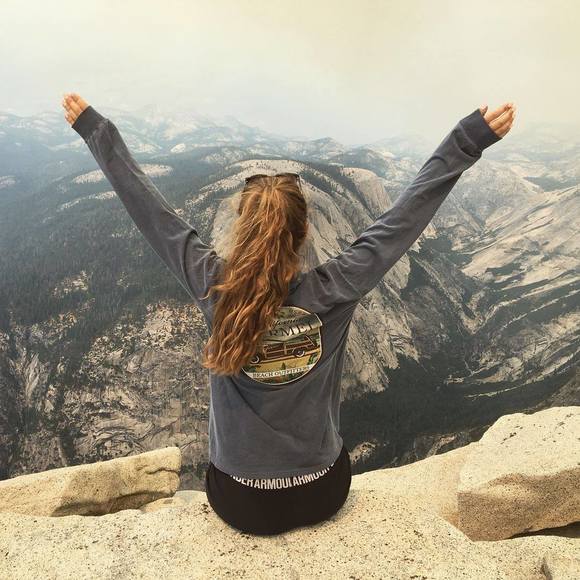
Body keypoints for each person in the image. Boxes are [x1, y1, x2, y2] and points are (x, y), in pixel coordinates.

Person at [63, 93, 515, 535]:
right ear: (304, 232)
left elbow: (153, 213)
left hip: (239, 501)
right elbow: (402, 219)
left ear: (242, 229)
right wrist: (466, 140)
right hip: (321, 491)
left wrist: (97, 132)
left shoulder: (214, 287)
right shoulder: (336, 288)